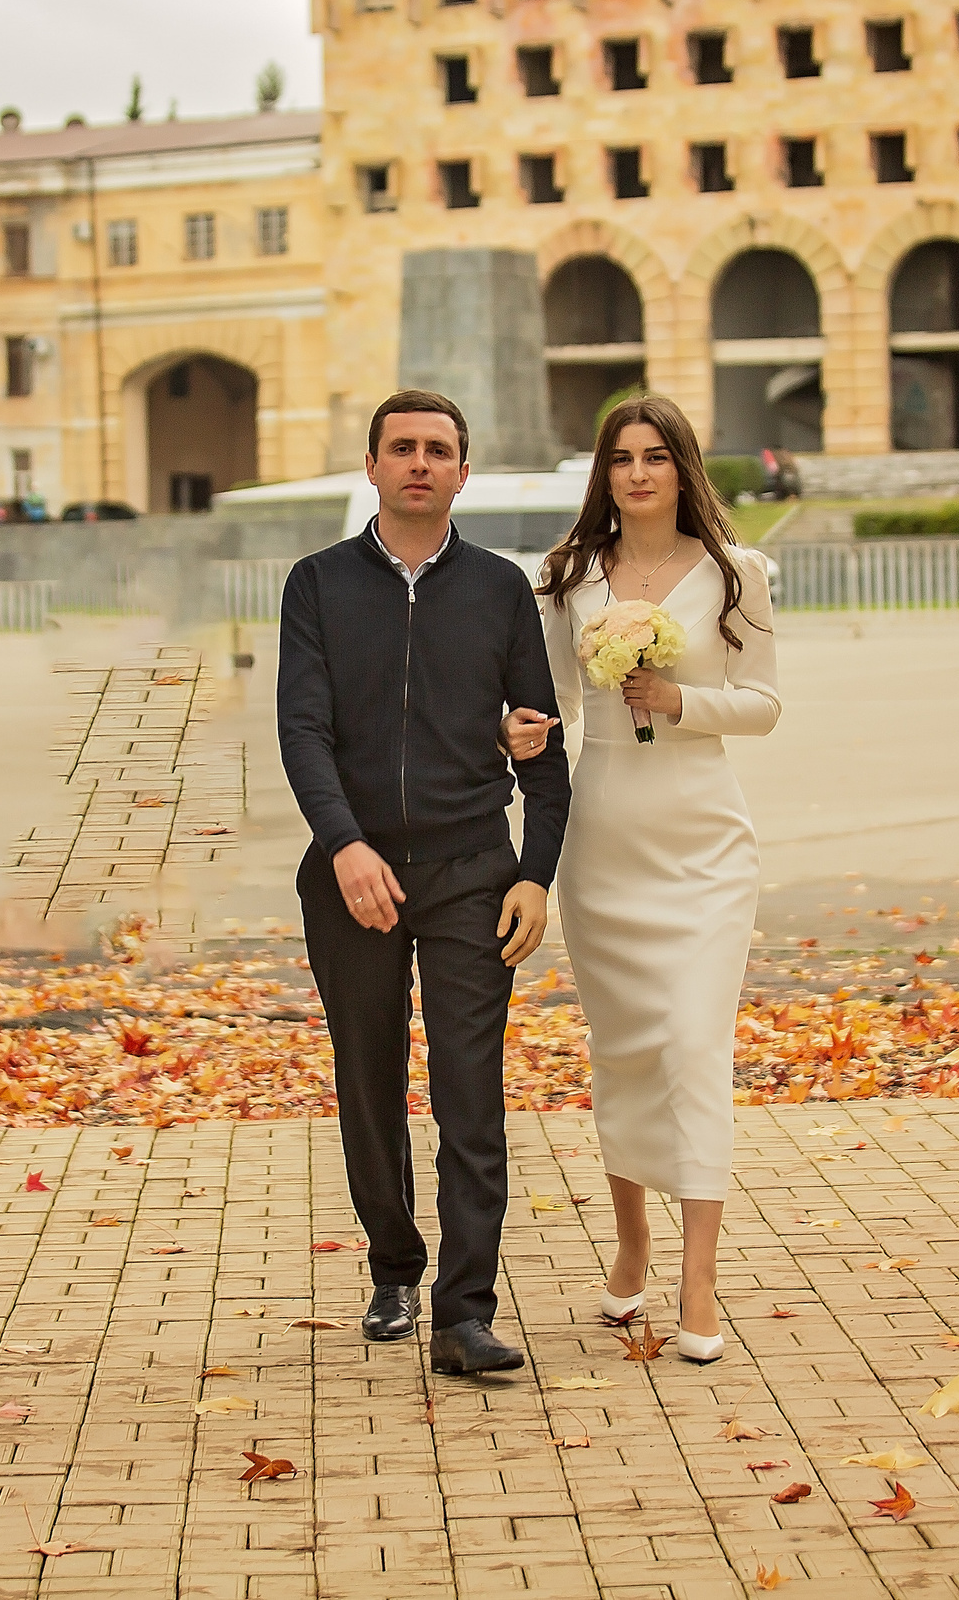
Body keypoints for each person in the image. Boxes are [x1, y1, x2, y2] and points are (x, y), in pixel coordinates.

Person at [276, 388, 572, 1376]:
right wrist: (346, 845)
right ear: (370, 467)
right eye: (400, 448)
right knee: (368, 1084)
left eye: (437, 450)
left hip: (468, 871)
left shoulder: (497, 590)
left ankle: (465, 1312)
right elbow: (302, 730)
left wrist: (535, 873)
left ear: (461, 473)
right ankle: (393, 1265)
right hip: (349, 871)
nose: (418, 463)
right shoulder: (317, 584)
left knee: (469, 1091)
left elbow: (540, 742)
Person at [507, 393, 780, 1364]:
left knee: (696, 1045)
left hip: (704, 840)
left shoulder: (735, 575)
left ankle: (699, 1277)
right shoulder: (568, 576)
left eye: (655, 455)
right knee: (623, 1050)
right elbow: (543, 705)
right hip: (606, 834)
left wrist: (680, 699)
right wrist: (521, 729)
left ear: (682, 467)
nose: (636, 472)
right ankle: (631, 1244)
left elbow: (764, 705)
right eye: (619, 456)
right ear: (603, 471)